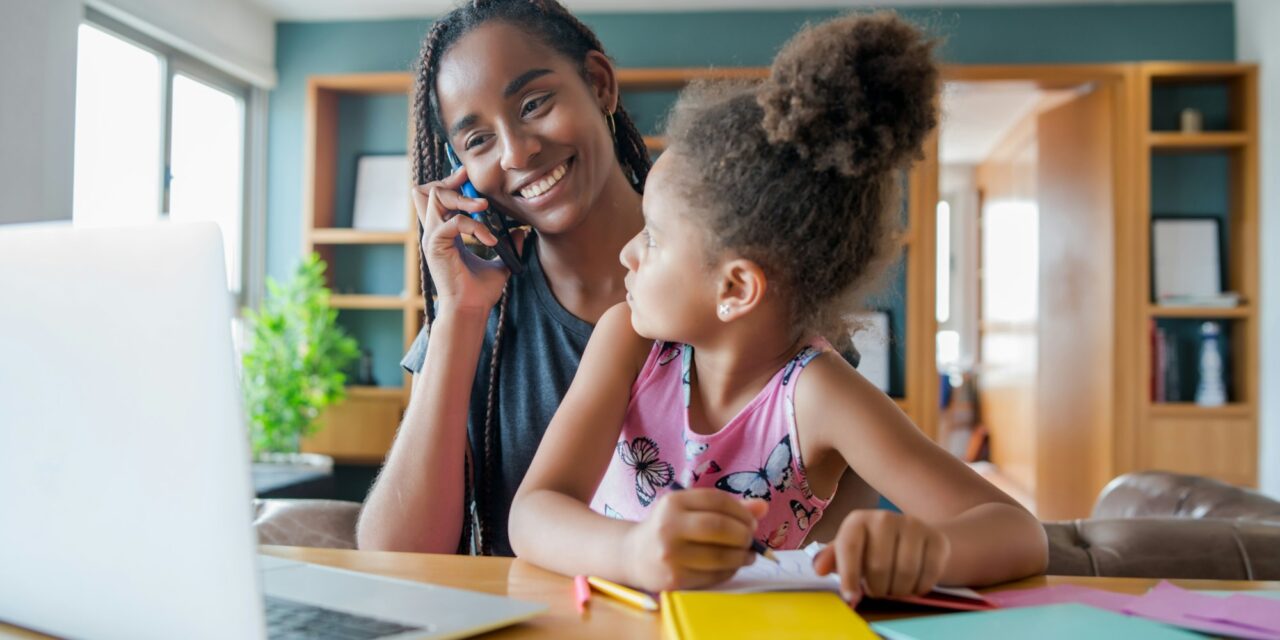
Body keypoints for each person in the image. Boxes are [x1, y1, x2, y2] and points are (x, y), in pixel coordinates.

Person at [508, 13, 1048, 602]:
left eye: (655, 239)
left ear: (736, 289)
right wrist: (631, 552)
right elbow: (532, 514)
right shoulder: (628, 342)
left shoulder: (819, 395)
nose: (629, 253)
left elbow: (1019, 533)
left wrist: (928, 547)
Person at [356, 0, 651, 557]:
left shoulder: (734, 281)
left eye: (534, 103)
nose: (518, 151)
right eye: (478, 140)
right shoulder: (477, 314)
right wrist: (460, 317)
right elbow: (397, 560)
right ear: (460, 173)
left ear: (599, 84)